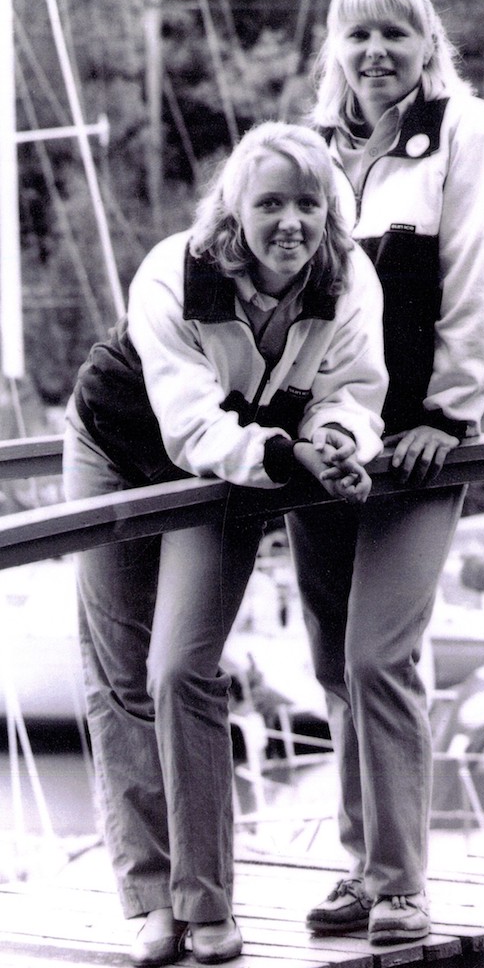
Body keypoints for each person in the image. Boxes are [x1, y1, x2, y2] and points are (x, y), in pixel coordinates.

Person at [62, 121, 388, 968]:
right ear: (232, 210)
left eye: (308, 203)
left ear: (331, 213)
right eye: (269, 202)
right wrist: (291, 455)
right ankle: (150, 901)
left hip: (232, 473)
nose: (290, 220)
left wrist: (342, 438)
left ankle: (207, 904)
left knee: (181, 669)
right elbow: (191, 420)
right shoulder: (175, 272)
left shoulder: (348, 283)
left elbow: (351, 388)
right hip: (119, 445)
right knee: (121, 678)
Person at [286, 0, 484, 945]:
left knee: (381, 654)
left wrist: (449, 413)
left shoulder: (463, 134)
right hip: (318, 447)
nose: (376, 51)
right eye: (358, 33)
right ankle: (360, 864)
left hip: (418, 442)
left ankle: (399, 883)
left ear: (428, 43)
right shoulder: (309, 152)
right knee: (333, 663)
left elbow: (482, 274)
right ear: (335, 50)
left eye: (396, 31)